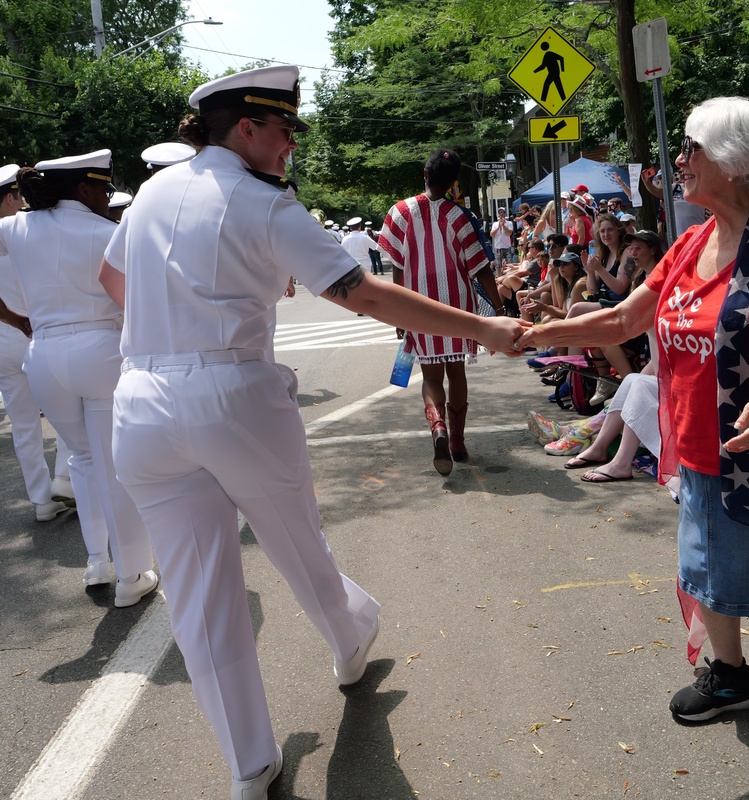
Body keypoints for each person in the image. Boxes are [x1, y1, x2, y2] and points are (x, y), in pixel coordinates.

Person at [97, 66, 526, 800]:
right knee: (295, 538)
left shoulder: (150, 195)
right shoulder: (262, 201)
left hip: (140, 402)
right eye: (286, 129)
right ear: (248, 128)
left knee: (200, 599)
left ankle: (248, 765)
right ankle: (350, 634)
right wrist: (483, 326)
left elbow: (113, 284)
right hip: (231, 392)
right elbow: (361, 293)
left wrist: (194, 305)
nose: (293, 144)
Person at [514, 97, 749, 783]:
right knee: (709, 567)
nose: (677, 161)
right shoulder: (688, 241)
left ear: (734, 162)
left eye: (689, 149)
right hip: (701, 448)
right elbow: (621, 321)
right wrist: (540, 332)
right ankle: (731, 674)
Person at [0, 151, 157, 604]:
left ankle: (96, 562)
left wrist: (14, 319)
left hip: (44, 354)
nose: (107, 196)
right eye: (103, 188)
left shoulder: (14, 227)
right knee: (114, 464)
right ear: (84, 188)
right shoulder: (108, 232)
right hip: (100, 350)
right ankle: (132, 573)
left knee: (82, 462)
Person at [379, 148, 509, 476]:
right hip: (457, 307)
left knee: (431, 375)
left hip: (416, 307)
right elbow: (480, 268)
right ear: (453, 183)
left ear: (425, 175)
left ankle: (437, 426)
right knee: (457, 372)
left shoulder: (399, 212)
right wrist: (499, 306)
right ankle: (458, 441)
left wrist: (398, 311)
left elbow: (396, 265)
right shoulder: (460, 216)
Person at [0, 164, 71, 522]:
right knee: (67, 412)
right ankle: (64, 478)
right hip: (36, 333)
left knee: (24, 427)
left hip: (3, 340)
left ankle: (42, 501)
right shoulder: (24, 232)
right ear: (12, 197)